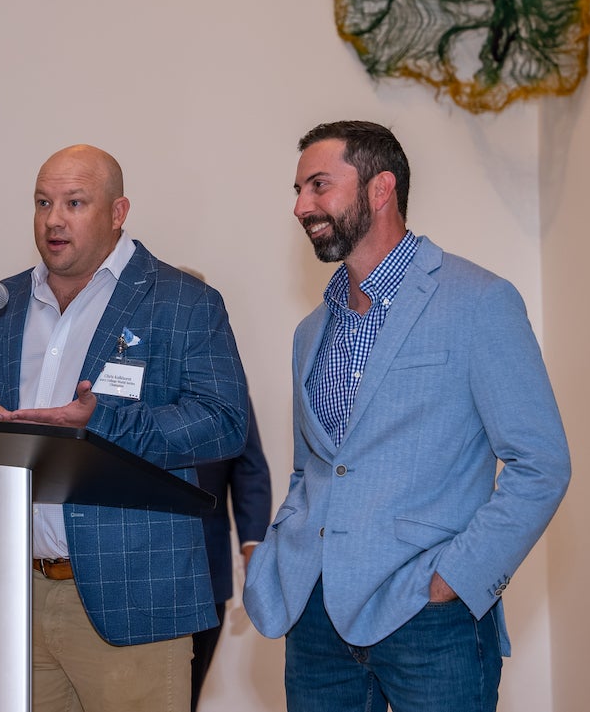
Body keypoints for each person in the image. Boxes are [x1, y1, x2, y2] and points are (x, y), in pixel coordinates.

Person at [242, 120, 571, 712]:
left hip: (430, 622)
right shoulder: (310, 331)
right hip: (314, 619)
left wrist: (454, 581)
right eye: (297, 190)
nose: (300, 206)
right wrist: (278, 554)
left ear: (379, 188)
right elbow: (310, 470)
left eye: (318, 186)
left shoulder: (479, 301)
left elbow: (541, 464)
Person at [0, 144, 249, 712]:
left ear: (118, 212)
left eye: (75, 202)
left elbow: (224, 424)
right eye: (43, 202)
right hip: (13, 592)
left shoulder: (184, 302)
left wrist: (106, 425)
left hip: (133, 596)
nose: (54, 219)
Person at [190, 397, 272, 711]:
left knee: (185, 695)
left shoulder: (219, 367)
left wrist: (253, 546)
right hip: (120, 564)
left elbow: (248, 467)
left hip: (208, 567)